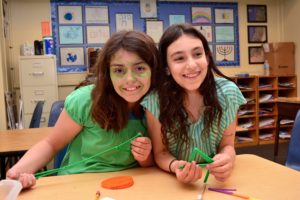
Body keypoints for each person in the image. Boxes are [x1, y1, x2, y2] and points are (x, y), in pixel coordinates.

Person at [7, 30, 160, 189]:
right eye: (119, 70)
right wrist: (18, 171)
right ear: (108, 73)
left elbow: (152, 165)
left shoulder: (156, 106)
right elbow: (51, 144)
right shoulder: (85, 101)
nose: (130, 79)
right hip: (78, 185)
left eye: (140, 68)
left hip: (130, 186)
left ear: (153, 70)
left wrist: (145, 157)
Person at [141, 23, 246, 184]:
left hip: (211, 180)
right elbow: (160, 153)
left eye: (197, 54)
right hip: (173, 181)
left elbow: (227, 145)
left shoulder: (228, 94)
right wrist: (175, 166)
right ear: (167, 67)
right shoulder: (156, 101)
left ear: (207, 58)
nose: (191, 65)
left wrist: (226, 159)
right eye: (179, 58)